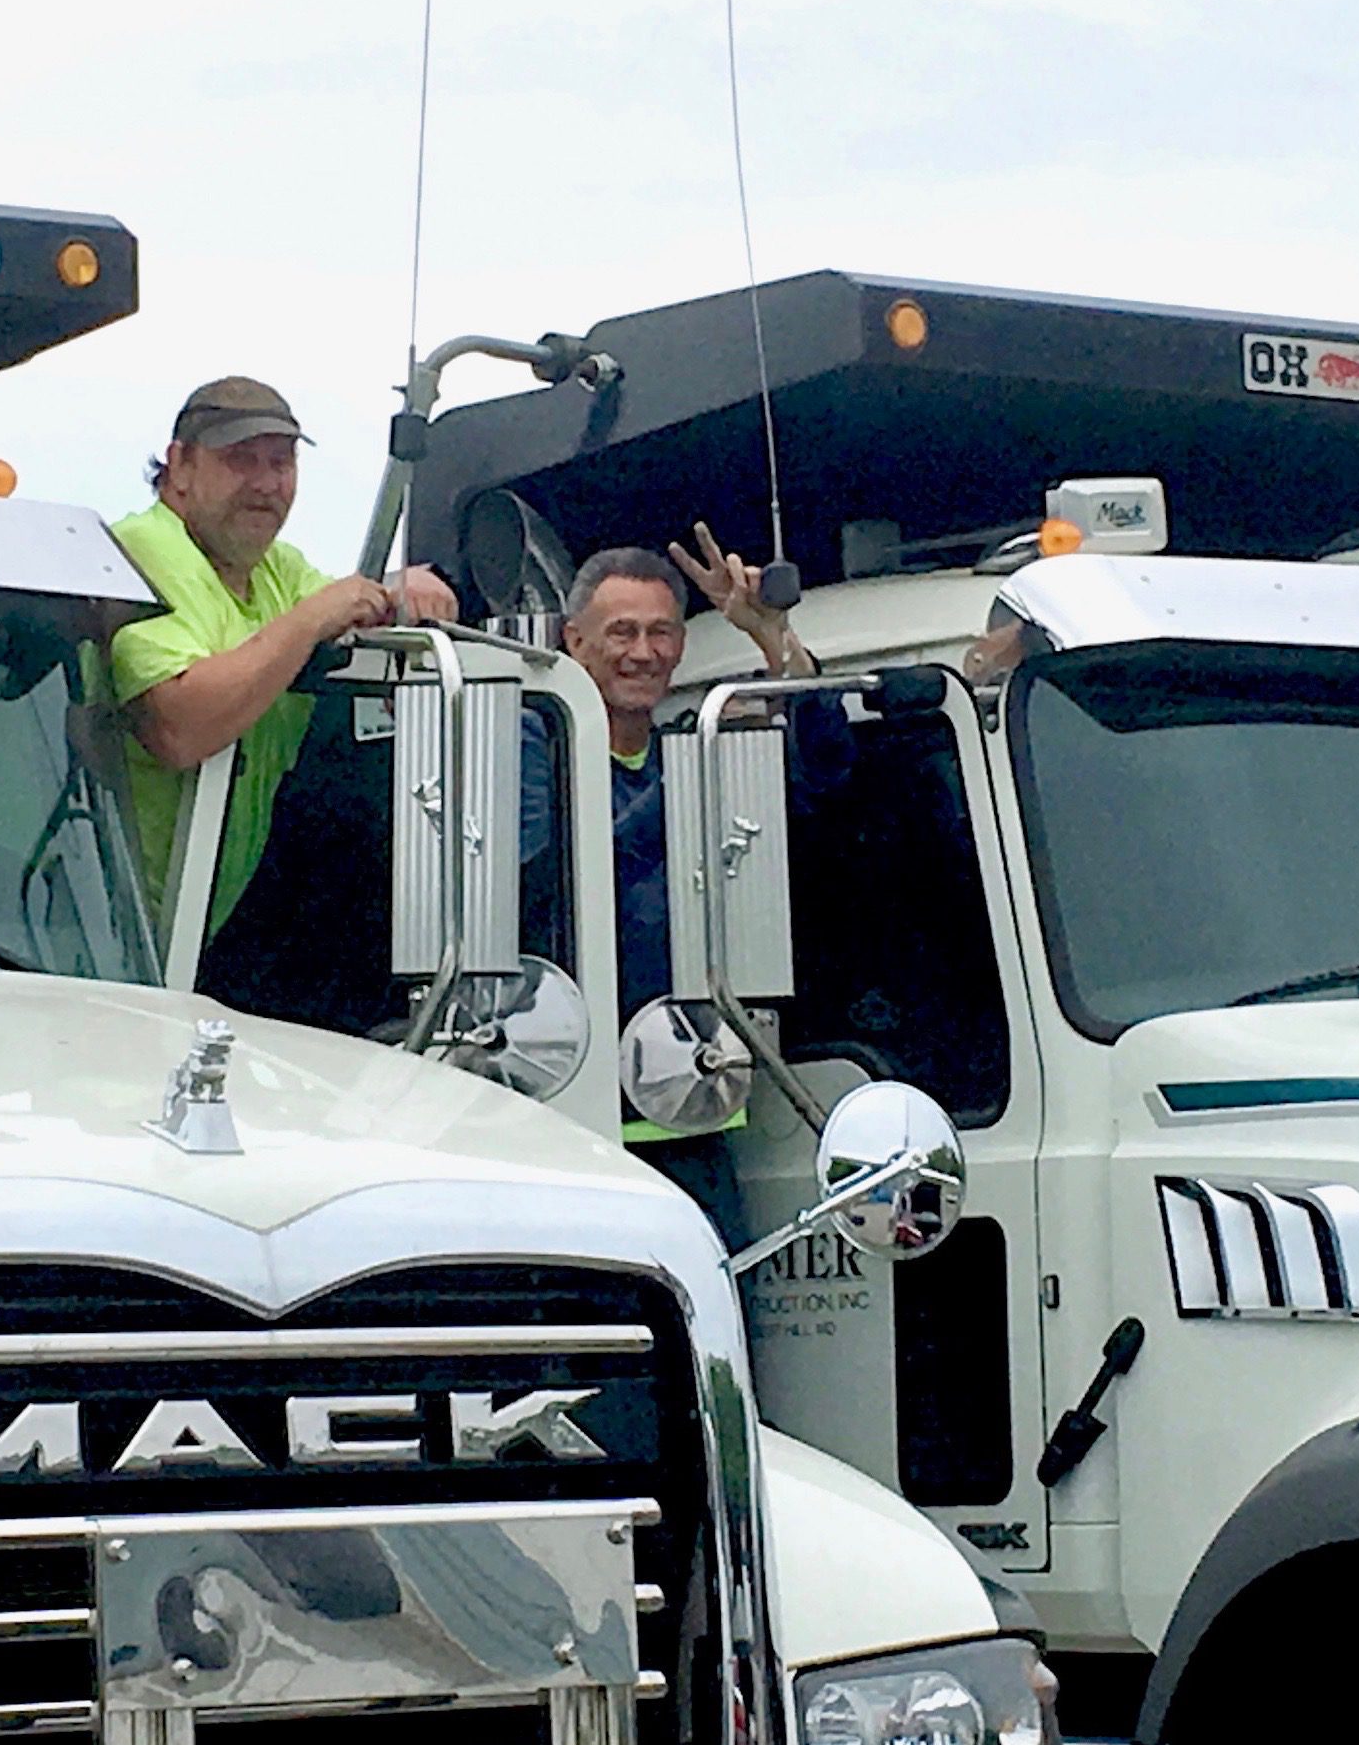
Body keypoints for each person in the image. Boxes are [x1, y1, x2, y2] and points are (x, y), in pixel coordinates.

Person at [529, 525, 844, 1247]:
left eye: (662, 633)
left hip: (697, 1116)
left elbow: (828, 771)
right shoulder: (536, 741)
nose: (644, 652)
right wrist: (689, 775)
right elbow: (561, 881)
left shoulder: (691, 744)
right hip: (575, 1124)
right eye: (623, 632)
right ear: (575, 641)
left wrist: (772, 637)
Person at [104, 379, 453, 921]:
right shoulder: (139, 550)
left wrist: (401, 591)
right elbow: (179, 727)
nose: (266, 484)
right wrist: (313, 620)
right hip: (48, 912)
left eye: (281, 462)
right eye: (241, 460)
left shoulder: (278, 569)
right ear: (180, 467)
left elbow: (352, 606)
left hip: (166, 928)